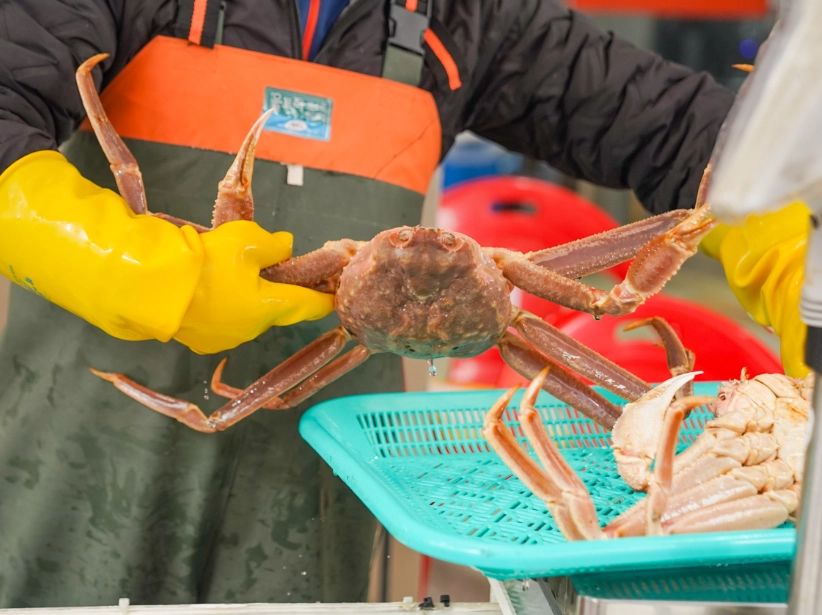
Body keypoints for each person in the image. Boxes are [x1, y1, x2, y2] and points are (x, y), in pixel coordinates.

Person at [0, 0, 805, 608]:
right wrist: (119, 262)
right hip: (64, 453)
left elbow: (693, 138)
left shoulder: (467, 15)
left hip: (330, 472)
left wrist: (795, 250)